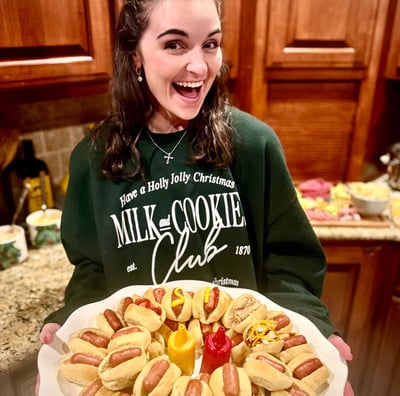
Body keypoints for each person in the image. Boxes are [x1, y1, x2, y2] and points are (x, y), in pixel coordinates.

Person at [37, 0, 353, 394]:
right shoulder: (92, 160)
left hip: (243, 373)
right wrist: (69, 320)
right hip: (140, 378)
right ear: (135, 55)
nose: (201, 67)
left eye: (211, 44)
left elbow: (289, 261)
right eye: (175, 45)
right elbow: (91, 269)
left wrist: (314, 326)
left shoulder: (254, 145)